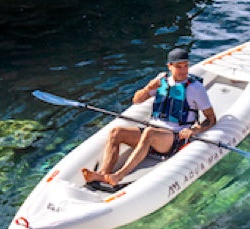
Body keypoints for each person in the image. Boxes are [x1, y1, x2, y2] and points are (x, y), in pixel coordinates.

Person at [82, 47, 217, 187]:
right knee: (116, 132)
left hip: (174, 138)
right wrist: (147, 88)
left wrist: (194, 131)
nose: (183, 70)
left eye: (186, 66)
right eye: (178, 67)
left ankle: (118, 176)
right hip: (153, 133)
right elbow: (136, 100)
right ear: (169, 66)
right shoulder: (161, 81)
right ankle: (103, 173)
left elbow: (211, 119)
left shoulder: (195, 88)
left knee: (149, 132)